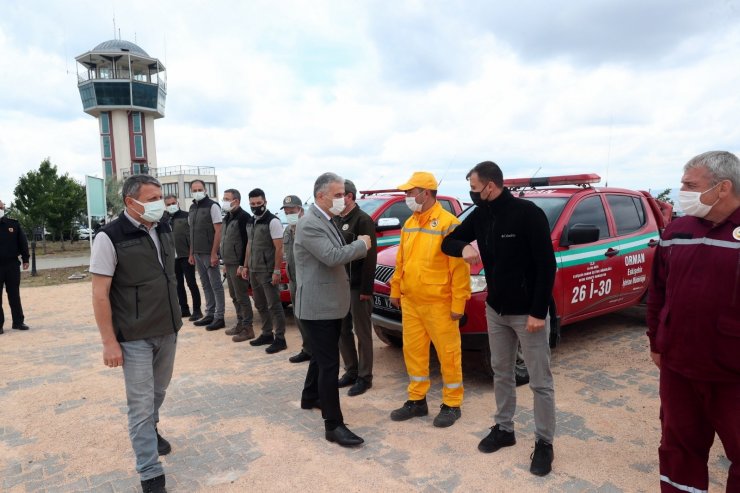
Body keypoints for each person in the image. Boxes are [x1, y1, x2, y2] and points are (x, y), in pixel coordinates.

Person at [441, 161, 556, 476]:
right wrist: (463, 246)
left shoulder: (527, 214)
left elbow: (547, 266)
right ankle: (504, 429)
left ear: (490, 186)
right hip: (496, 310)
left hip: (527, 314)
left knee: (540, 381)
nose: (472, 194)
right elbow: (446, 242)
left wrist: (538, 311)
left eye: (475, 189)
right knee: (501, 372)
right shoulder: (480, 215)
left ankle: (544, 443)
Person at [646, 150, 740, 493]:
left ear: (722, 188)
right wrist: (656, 341)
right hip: (679, 370)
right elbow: (657, 290)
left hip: (732, 375)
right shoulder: (677, 230)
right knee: (678, 453)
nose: (682, 191)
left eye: (689, 184)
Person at [90, 175, 181, 493]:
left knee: (158, 393)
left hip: (168, 330)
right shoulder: (109, 237)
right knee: (140, 404)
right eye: (153, 198)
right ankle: (150, 475)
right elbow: (100, 294)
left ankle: (152, 429)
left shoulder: (163, 227)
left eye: (161, 197)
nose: (161, 203)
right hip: (134, 337)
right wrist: (108, 342)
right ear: (131, 202)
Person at [388, 171, 471, 428]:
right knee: (413, 352)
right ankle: (417, 400)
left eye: (410, 193)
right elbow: (401, 261)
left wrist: (459, 304)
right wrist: (395, 290)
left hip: (440, 303)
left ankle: (452, 404)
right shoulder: (409, 224)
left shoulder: (448, 223)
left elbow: (459, 269)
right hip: (412, 302)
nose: (406, 197)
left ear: (426, 193)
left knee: (448, 354)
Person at [295, 172, 371, 447]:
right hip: (318, 306)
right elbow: (332, 256)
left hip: (330, 303)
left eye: (343, 194)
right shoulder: (309, 224)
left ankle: (310, 396)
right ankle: (333, 424)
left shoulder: (326, 219)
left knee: (319, 356)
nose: (343, 199)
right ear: (320, 196)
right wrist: (361, 244)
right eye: (338, 195)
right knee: (329, 364)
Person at [335, 179, 378, 396]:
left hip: (357, 286)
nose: (335, 201)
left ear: (349, 196)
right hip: (340, 286)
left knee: (362, 332)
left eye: (337, 196)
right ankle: (350, 371)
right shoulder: (336, 219)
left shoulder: (362, 220)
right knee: (342, 330)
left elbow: (370, 257)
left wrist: (366, 290)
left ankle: (364, 376)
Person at [242, 188, 287, 354]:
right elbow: (249, 244)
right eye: (252, 204)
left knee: (274, 304)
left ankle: (280, 338)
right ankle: (267, 333)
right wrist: (245, 265)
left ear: (265, 202)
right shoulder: (251, 221)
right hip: (254, 269)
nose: (256, 206)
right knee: (260, 303)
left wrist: (276, 270)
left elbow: (279, 248)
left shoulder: (273, 221)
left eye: (259, 203)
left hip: (267, 270)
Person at [188, 180, 225, 331]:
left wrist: (214, 253)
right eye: (194, 189)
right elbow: (191, 232)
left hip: (209, 253)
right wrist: (191, 253)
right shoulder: (192, 207)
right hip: (197, 253)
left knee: (216, 285)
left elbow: (219, 231)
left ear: (205, 189)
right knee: (205, 284)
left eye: (200, 189)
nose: (197, 191)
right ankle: (209, 313)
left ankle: (219, 316)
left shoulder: (213, 205)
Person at [219, 189, 255, 342]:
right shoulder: (227, 217)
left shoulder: (244, 217)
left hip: (238, 264)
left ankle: (248, 328)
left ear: (237, 201)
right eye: (224, 198)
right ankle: (240, 323)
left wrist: (243, 265)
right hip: (229, 262)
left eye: (227, 199)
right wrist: (225, 263)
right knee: (234, 296)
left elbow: (247, 243)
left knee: (242, 296)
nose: (224, 201)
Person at [281, 195, 311, 363]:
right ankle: (307, 348)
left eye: (291, 210)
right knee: (298, 316)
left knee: (309, 318)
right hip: (293, 279)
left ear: (300, 209)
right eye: (286, 211)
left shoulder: (307, 227)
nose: (288, 213)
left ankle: (315, 349)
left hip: (307, 280)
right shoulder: (288, 229)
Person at [164, 195, 202, 321]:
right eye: (168, 204)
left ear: (178, 202)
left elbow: (192, 236)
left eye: (173, 203)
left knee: (191, 283)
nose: (171, 205)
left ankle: (197, 310)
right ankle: (184, 309)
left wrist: (192, 254)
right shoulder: (163, 219)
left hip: (186, 255)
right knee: (178, 285)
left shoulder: (186, 215)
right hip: (172, 258)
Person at [0, 200, 30, 333]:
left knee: (14, 294)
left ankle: (18, 322)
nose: (2, 208)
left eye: (2, 206)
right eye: (1, 206)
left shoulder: (13, 224)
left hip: (12, 265)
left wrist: (25, 258)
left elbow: (22, 242)